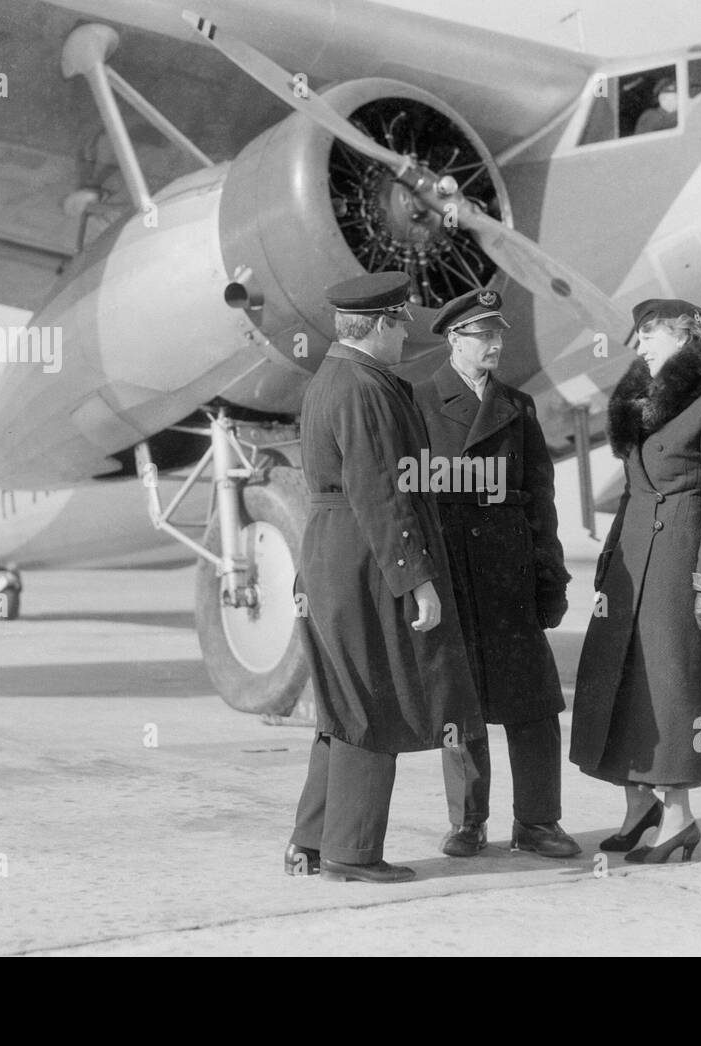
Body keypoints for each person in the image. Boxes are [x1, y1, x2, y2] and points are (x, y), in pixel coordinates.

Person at [285, 271, 482, 884]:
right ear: (378, 325)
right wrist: (415, 578)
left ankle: (313, 843)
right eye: (401, 322)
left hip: (332, 555)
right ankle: (353, 852)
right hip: (364, 559)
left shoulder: (336, 379)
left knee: (342, 704)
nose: (407, 333)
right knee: (373, 699)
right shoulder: (362, 387)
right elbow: (379, 491)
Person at [569, 299, 701, 863]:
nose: (638, 346)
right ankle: (637, 806)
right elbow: (632, 492)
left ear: (685, 337)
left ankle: (678, 818)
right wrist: (608, 563)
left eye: (649, 335)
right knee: (621, 681)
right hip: (632, 564)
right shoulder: (640, 405)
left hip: (677, 565)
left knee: (671, 690)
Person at [412, 288, 579, 860]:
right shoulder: (420, 402)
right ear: (455, 339)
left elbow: (540, 498)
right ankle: (468, 822)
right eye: (485, 335)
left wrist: (548, 574)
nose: (496, 344)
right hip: (455, 572)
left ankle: (537, 822)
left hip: (509, 574)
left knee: (533, 703)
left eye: (499, 334)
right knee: (463, 706)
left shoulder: (518, 405)